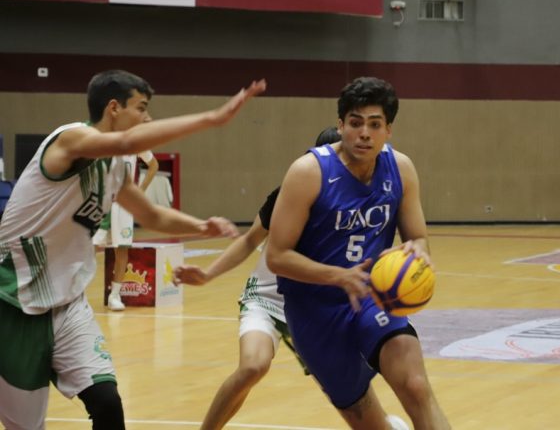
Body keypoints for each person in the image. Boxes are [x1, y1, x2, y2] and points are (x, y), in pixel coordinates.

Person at [0, 70, 266, 430]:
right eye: (141, 108)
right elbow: (126, 141)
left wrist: (201, 226)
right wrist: (212, 118)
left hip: (67, 304)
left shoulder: (117, 164)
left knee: (107, 402)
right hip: (14, 301)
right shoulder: (69, 138)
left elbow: (151, 215)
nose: (147, 118)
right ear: (114, 108)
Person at [173, 127, 409, 430]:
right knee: (253, 366)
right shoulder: (291, 193)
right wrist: (208, 274)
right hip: (268, 298)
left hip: (317, 309)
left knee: (353, 390)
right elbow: (249, 240)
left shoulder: (364, 202)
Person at [266, 77, 451, 430]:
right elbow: (277, 256)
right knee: (366, 420)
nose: (364, 133)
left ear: (388, 130)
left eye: (375, 124)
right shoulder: (308, 173)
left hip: (374, 297)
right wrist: (338, 276)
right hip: (314, 311)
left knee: (415, 386)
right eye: (355, 123)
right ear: (340, 125)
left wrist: (419, 252)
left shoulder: (401, 169)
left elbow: (418, 238)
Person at [93, 149, 159, 311]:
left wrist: (140, 191)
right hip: (102, 201)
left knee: (122, 248)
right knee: (90, 247)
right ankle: (76, 296)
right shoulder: (104, 141)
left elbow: (154, 165)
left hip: (125, 203)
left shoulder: (137, 144)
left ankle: (115, 295)